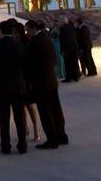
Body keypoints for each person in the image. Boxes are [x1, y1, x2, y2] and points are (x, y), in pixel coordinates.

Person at [0, 20, 28, 155]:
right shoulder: (19, 45)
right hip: (18, 85)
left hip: (2, 85)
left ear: (0, 31)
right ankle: (22, 145)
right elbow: (25, 63)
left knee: (4, 117)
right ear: (12, 31)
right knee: (19, 117)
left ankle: (6, 145)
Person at [24, 21, 68, 149]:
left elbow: (32, 64)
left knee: (45, 111)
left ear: (32, 29)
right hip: (51, 80)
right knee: (56, 109)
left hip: (41, 82)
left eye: (27, 30)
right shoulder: (46, 38)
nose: (26, 33)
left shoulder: (35, 42)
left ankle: (52, 139)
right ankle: (61, 135)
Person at [58, 18, 80, 83]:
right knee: (74, 63)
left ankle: (69, 78)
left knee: (67, 64)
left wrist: (62, 50)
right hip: (74, 48)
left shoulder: (62, 29)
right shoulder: (72, 27)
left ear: (62, 22)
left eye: (60, 22)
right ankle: (76, 77)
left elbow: (62, 40)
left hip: (67, 49)